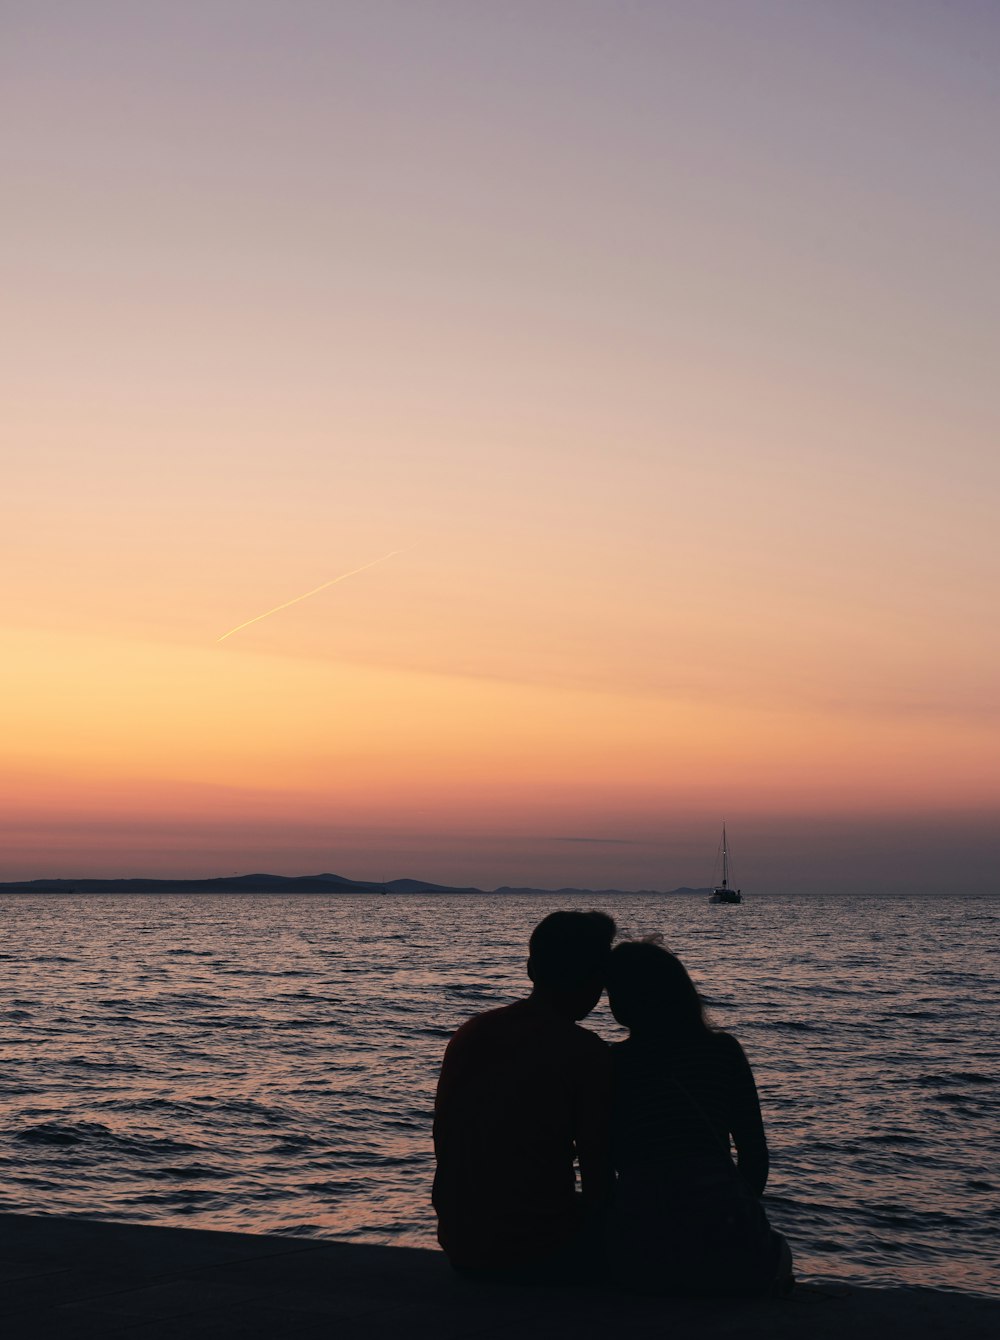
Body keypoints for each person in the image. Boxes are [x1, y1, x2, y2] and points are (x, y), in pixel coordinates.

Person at [433, 910, 616, 1279]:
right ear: (598, 978)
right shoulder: (583, 1051)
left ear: (531, 969)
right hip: (539, 1248)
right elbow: (598, 1175)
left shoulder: (471, 1033)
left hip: (462, 1242)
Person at [605, 938, 793, 1297]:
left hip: (643, 1249)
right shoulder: (724, 1052)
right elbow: (754, 1156)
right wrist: (729, 1212)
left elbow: (609, 1158)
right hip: (725, 1242)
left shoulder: (615, 1064)